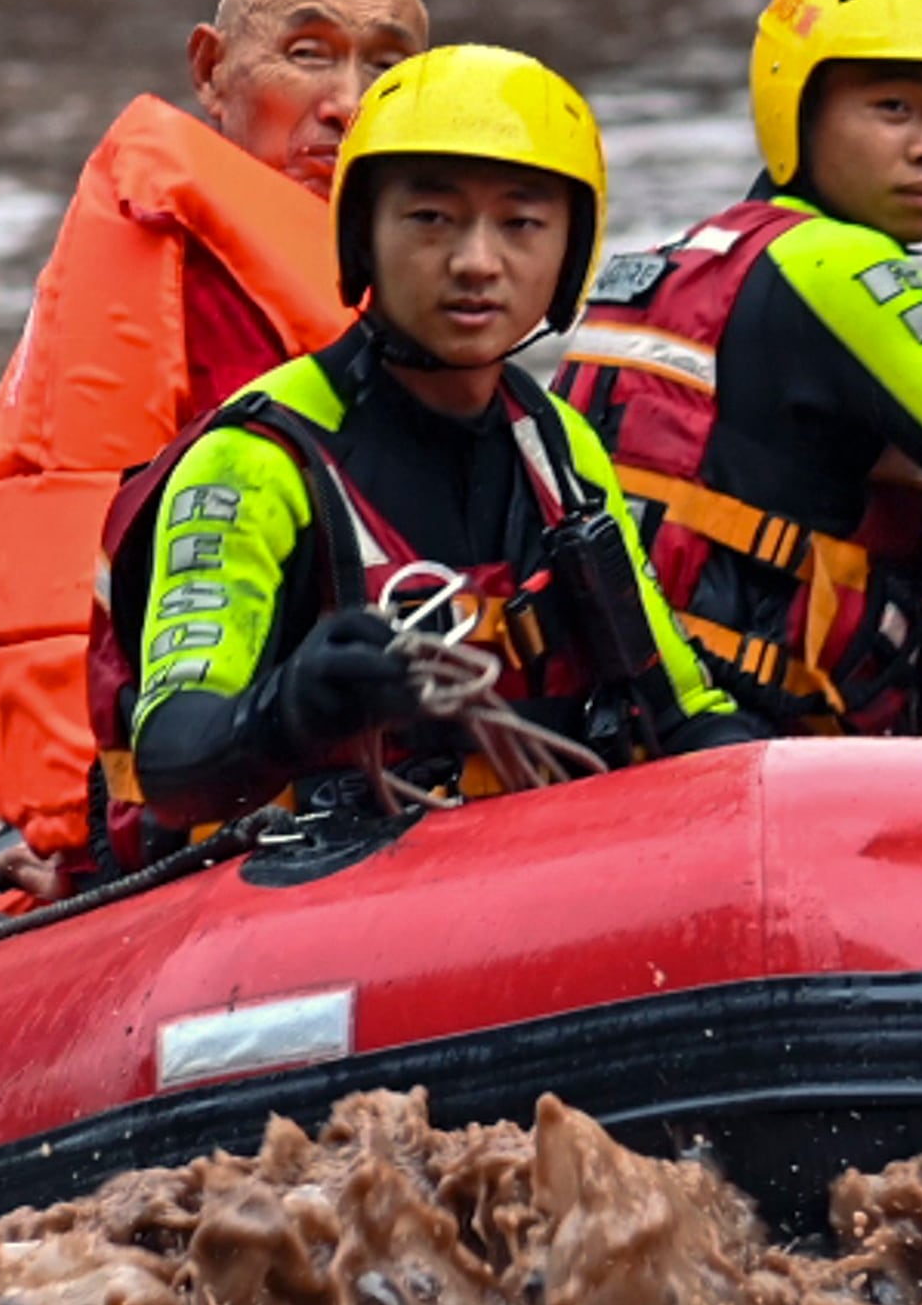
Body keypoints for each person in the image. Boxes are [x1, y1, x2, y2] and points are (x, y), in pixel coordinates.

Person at [111, 45, 759, 829]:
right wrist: (292, 707)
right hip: (315, 889)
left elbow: (684, 710)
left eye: (521, 223)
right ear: (362, 238)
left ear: (569, 252)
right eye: (430, 219)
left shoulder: (558, 446)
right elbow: (173, 767)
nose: (476, 262)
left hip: (537, 870)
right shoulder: (252, 460)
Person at [0, 0, 429, 869]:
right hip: (197, 782)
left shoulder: (428, 280)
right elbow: (84, 565)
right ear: (211, 72)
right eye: (307, 54)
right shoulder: (170, 271)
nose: (347, 104)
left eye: (386, 67)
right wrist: (87, 833)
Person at [555, 0, 922, 733]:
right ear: (797, 112)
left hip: (615, 718)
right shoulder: (835, 264)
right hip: (757, 740)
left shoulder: (682, 260)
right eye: (894, 108)